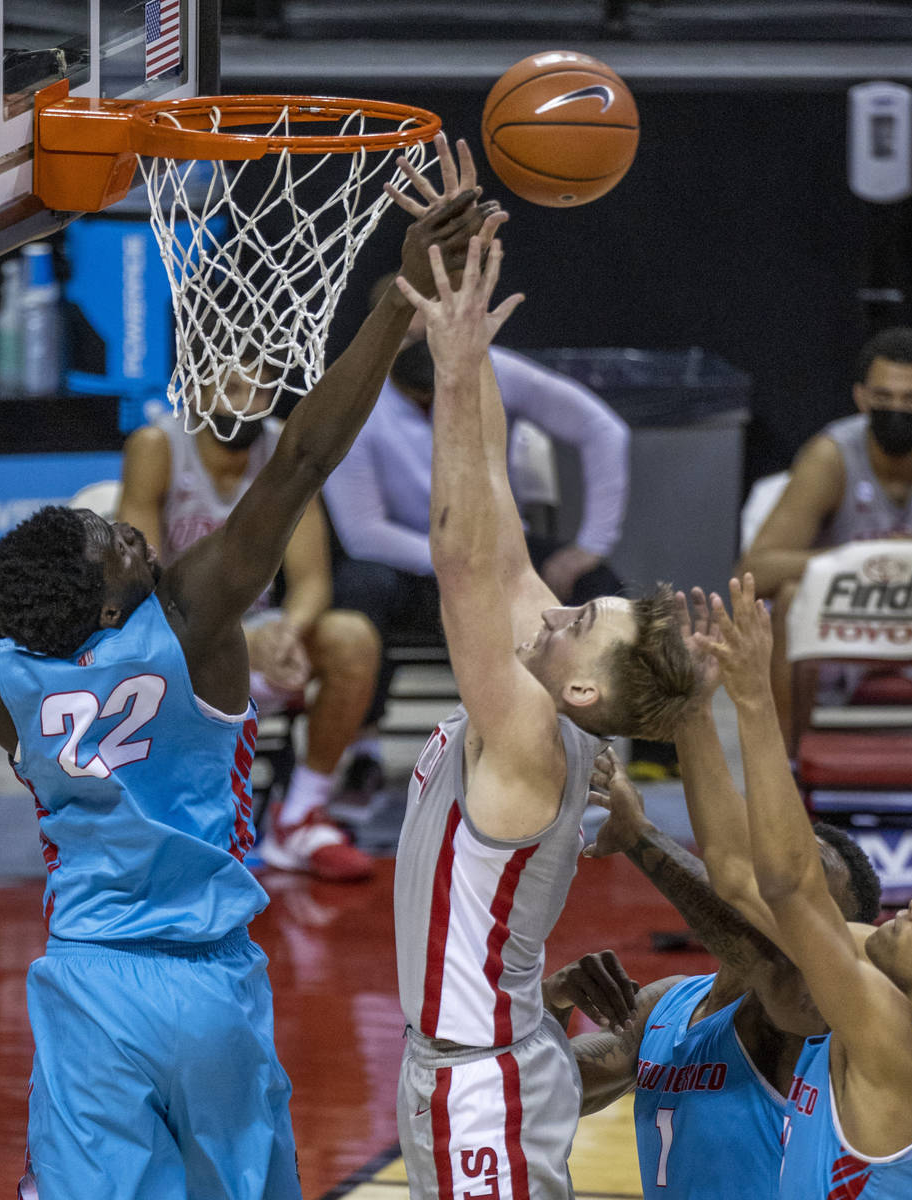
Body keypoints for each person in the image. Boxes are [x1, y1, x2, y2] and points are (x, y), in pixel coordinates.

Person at [0, 134, 493, 1200]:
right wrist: (396, 296)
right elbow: (303, 455)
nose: (133, 534)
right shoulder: (191, 620)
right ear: (110, 597)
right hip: (209, 989)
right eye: (114, 542)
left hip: (86, 991)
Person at [390, 219, 696, 1197]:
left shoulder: (529, 735)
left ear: (584, 691)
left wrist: (449, 371)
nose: (559, 606)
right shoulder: (548, 698)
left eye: (582, 618)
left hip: (480, 1081)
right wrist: (468, 352)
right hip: (468, 1061)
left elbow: (461, 556)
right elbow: (502, 541)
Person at [322, 267, 632, 797]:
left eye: (434, 329)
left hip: (494, 549)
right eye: (410, 334)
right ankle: (363, 752)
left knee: (602, 590)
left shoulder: (493, 371)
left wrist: (590, 546)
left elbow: (604, 430)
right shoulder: (352, 400)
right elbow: (362, 531)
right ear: (382, 334)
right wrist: (457, 560)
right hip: (405, 559)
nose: (423, 342)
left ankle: (590, 746)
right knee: (358, 590)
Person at [693, 573, 912, 1196]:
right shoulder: (896, 996)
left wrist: (755, 699)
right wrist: (692, 710)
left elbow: (789, 887)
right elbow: (736, 875)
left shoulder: (894, 1041)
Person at [547, 708, 880, 1198]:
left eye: (806, 882)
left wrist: (639, 835)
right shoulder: (667, 1005)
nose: (778, 880)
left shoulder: (822, 1025)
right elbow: (545, 1096)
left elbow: (760, 954)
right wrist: (554, 1000)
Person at [117, 379, 380, 882]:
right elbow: (140, 585)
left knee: (352, 637)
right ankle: (162, 819)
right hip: (170, 629)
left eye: (261, 391)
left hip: (258, 634)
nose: (247, 404)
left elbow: (312, 581)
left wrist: (287, 630)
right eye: (233, 389)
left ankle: (300, 816)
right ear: (196, 391)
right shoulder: (156, 447)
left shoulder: (287, 447)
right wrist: (233, 638)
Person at [736, 326, 912, 746]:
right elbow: (755, 570)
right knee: (788, 600)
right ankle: (786, 770)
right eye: (884, 397)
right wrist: (867, 557)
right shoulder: (830, 458)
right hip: (841, 633)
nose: (896, 409)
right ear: (861, 398)